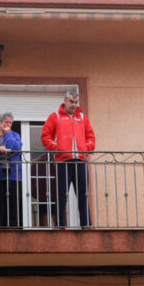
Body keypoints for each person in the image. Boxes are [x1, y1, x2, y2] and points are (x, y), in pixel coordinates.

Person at [41, 90, 96, 227]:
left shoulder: (83, 118)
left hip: (81, 162)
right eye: (71, 101)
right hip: (62, 162)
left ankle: (86, 225)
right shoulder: (55, 117)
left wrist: (87, 148)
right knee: (61, 196)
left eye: (76, 102)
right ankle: (60, 225)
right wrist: (57, 148)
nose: (74, 105)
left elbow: (91, 136)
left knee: (83, 196)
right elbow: (45, 136)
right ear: (65, 101)